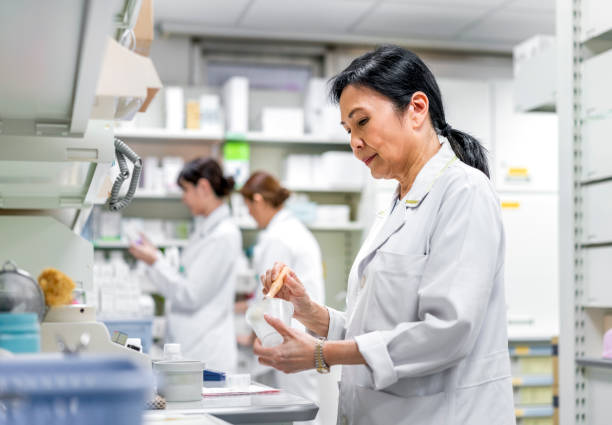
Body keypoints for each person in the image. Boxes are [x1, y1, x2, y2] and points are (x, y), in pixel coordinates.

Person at [253, 45, 515, 425]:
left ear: (416, 109)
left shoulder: (464, 192)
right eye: (347, 130)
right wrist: (309, 312)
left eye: (362, 122)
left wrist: (323, 354)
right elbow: (376, 329)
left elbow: (447, 331)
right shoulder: (397, 202)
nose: (354, 142)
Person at [129, 157, 241, 372]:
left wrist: (155, 261)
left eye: (186, 190)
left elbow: (191, 294)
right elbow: (185, 280)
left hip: (206, 353)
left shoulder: (223, 235)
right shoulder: (205, 230)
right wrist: (155, 258)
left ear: (204, 187)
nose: (184, 199)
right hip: (192, 346)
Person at [238, 171, 326, 425]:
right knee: (299, 410)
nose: (250, 216)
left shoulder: (279, 237)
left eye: (249, 208)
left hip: (289, 335)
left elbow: (270, 296)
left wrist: (255, 336)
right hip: (298, 331)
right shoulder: (292, 230)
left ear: (258, 200)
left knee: (297, 411)